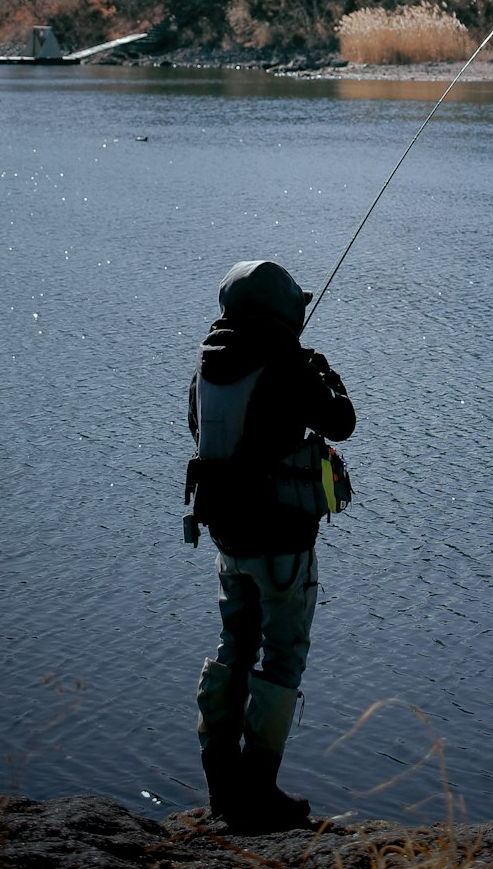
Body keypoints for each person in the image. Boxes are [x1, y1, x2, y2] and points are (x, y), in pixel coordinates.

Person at [187, 258, 355, 833]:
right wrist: (324, 372)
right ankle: (259, 790)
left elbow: (199, 431)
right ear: (284, 310)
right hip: (281, 539)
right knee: (282, 656)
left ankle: (221, 789)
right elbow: (342, 422)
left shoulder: (209, 362)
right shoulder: (289, 363)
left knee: (233, 645)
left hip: (227, 535)